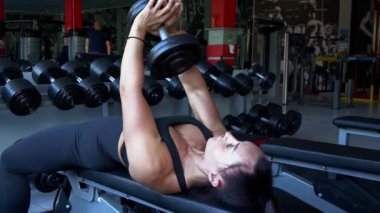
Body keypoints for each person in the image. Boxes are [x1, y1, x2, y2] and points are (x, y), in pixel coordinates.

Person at [0, 0, 278, 212]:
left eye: (232, 146)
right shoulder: (213, 140)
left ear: (216, 178)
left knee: (10, 162)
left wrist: (138, 28)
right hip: (112, 132)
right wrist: (171, 31)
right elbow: (194, 87)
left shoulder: (156, 167)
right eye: (236, 140)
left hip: (81, 142)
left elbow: (129, 89)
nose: (229, 136)